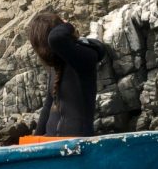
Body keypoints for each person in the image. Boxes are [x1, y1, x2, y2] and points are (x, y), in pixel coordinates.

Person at [27, 9, 113, 138]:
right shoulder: (56, 65)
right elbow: (48, 106)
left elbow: (56, 38)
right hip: (52, 144)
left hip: (76, 144)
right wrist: (34, 142)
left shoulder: (82, 57)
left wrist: (67, 25)